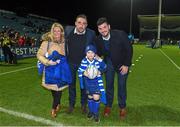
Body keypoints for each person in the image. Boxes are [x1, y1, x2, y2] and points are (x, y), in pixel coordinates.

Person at [95, 17, 133, 119]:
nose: (103, 30)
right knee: (109, 86)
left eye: (104, 27)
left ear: (109, 26)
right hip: (109, 64)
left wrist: (126, 65)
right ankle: (108, 105)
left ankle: (122, 107)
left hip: (122, 63)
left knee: (121, 86)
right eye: (100, 28)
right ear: (98, 30)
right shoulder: (98, 39)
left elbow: (129, 49)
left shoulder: (120, 34)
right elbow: (98, 53)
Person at [37, 22, 72, 118]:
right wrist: (47, 62)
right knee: (53, 89)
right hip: (50, 69)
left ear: (62, 32)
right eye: (55, 30)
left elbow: (68, 54)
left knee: (58, 89)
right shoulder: (46, 42)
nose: (57, 32)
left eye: (59, 31)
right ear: (52, 31)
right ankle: (58, 103)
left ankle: (53, 108)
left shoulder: (65, 42)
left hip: (61, 70)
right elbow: (39, 55)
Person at [65, 14, 96, 114]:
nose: (81, 25)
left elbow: (95, 47)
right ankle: (71, 105)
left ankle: (83, 105)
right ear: (75, 23)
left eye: (84, 23)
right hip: (70, 63)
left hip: (84, 65)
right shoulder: (68, 30)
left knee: (84, 86)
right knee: (71, 85)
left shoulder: (91, 33)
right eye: (79, 23)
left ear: (86, 25)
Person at [78, 45, 107, 122]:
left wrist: (100, 69)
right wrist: (84, 73)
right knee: (90, 97)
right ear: (86, 53)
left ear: (95, 53)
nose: (90, 54)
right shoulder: (84, 61)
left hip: (96, 82)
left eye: (92, 52)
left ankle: (96, 113)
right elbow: (79, 71)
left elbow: (105, 67)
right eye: (88, 52)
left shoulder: (97, 61)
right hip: (88, 83)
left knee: (96, 97)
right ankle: (91, 111)